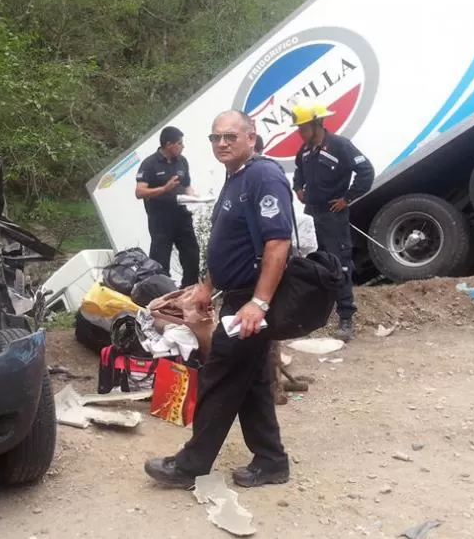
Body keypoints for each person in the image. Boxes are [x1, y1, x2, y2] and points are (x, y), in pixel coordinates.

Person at [144, 110, 292, 489]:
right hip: (235, 297)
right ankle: (272, 460)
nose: (222, 143)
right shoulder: (236, 176)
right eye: (215, 138)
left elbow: (278, 243)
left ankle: (190, 465)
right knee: (253, 382)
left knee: (219, 377)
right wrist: (208, 285)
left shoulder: (264, 176)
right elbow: (232, 244)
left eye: (230, 136)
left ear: (251, 136)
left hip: (250, 302)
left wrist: (258, 304)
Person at [291, 103, 374, 342]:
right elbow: (299, 172)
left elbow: (366, 171)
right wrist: (298, 188)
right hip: (311, 215)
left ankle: (346, 317)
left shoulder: (340, 145)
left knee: (340, 264)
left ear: (317, 124)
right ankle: (314, 316)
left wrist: (347, 198)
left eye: (303, 127)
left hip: (332, 215)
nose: (300, 132)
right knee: (313, 264)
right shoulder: (305, 150)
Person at [135, 126, 201, 287]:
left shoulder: (182, 161)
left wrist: (192, 196)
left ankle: (189, 289)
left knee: (192, 254)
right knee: (160, 260)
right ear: (169, 144)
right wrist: (164, 189)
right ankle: (163, 293)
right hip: (161, 220)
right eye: (179, 143)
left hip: (182, 216)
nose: (182, 146)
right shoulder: (149, 164)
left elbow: (187, 185)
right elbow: (139, 192)